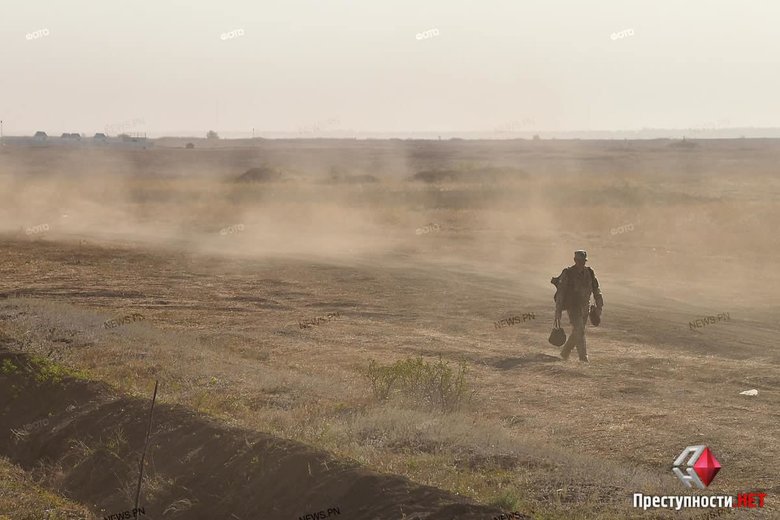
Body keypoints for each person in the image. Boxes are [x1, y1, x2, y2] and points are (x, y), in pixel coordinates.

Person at [554, 250, 603, 362]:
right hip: (573, 307)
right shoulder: (568, 273)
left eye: (583, 261)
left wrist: (599, 303)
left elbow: (596, 289)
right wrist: (558, 312)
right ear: (575, 260)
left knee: (577, 331)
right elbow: (561, 293)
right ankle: (583, 357)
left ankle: (565, 352)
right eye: (579, 261)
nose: (581, 263)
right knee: (579, 330)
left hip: (585, 307)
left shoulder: (590, 273)